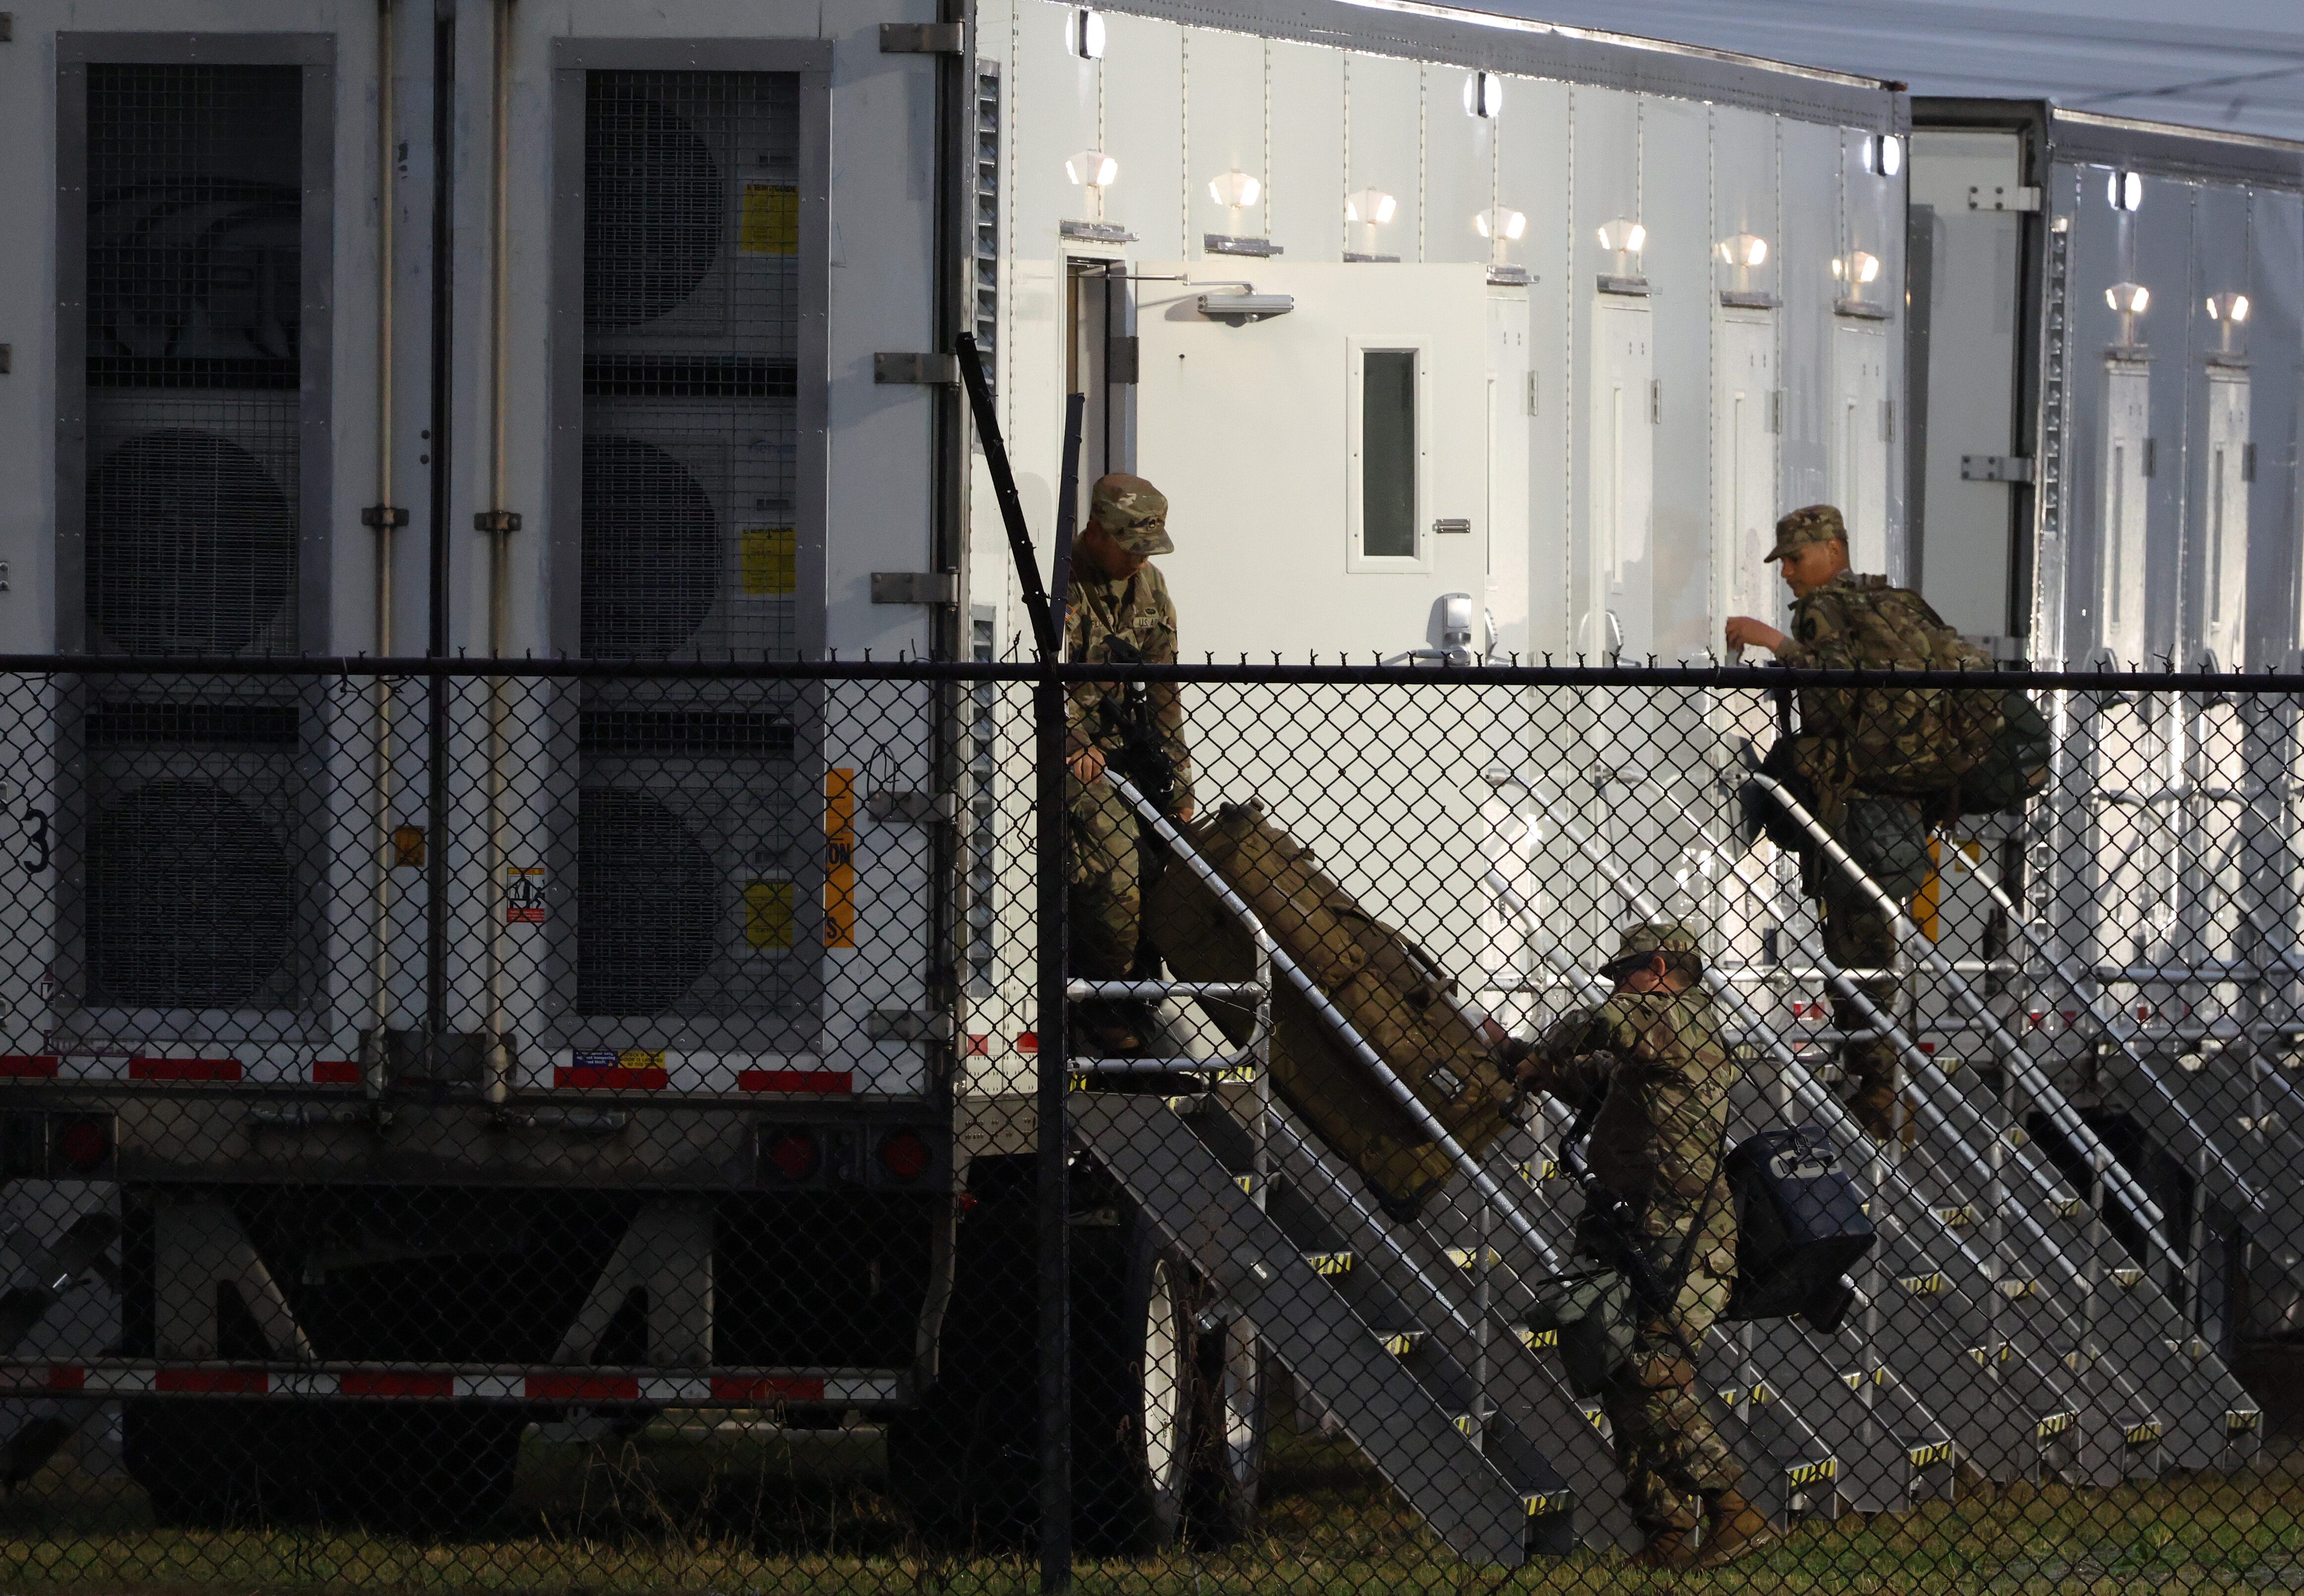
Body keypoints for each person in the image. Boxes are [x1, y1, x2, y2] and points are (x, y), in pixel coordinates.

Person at [1495, 923, 1772, 1570]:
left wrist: (1540, 1049)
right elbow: (1591, 1076)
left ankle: (1731, 1504)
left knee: (1652, 1376)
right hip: (1641, 1237)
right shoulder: (1653, 1044)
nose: (1617, 987)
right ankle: (1667, 1532)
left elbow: (1596, 1021)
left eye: (1624, 974)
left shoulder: (1681, 1021)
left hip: (1681, 1243)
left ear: (1656, 966)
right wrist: (1519, 1056)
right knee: (1623, 1378)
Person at [1725, 504, 1929, 1142]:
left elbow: (1837, 696)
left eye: (1796, 557)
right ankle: (1881, 1085)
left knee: (1856, 950)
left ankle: (1876, 1093)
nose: (1787, 572)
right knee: (1875, 948)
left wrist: (1778, 646)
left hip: (1853, 808)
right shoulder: (1886, 606)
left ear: (1834, 552)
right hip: (1898, 802)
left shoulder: (1825, 611)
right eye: (1783, 560)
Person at [1065, 473, 1196, 1054]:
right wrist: (1072, 741)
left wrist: (1180, 779)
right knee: (1116, 869)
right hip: (1062, 752)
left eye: (1149, 551)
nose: (1141, 562)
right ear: (1096, 532)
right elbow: (1027, 683)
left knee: (1169, 866)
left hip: (1125, 753)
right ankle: (1102, 1005)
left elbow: (1164, 691)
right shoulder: (1056, 585)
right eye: (1131, 548)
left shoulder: (1150, 589)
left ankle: (1143, 992)